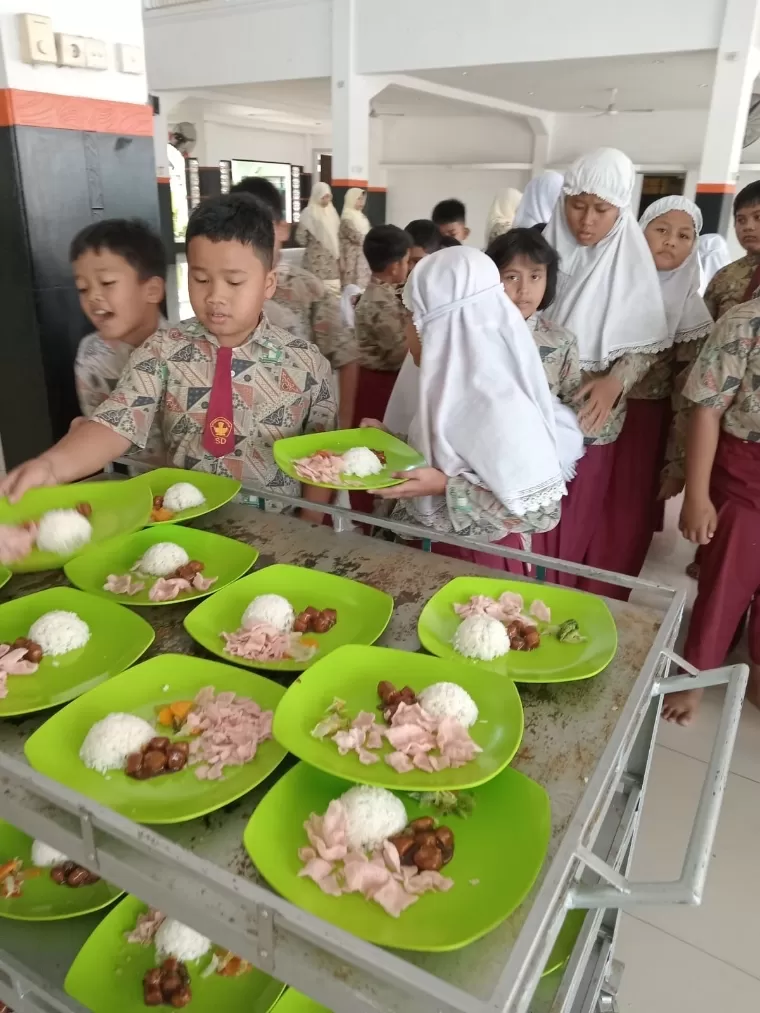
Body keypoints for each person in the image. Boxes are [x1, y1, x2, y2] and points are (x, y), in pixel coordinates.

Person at [0, 194, 336, 524]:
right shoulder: (162, 351)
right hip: (186, 524)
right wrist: (52, 465)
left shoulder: (307, 365)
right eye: (200, 279)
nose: (216, 296)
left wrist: (309, 527)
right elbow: (116, 423)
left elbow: (320, 460)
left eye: (234, 281)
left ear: (268, 284)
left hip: (279, 529)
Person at [367, 246, 571, 572]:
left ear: (446, 329)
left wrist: (444, 488)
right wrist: (390, 439)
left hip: (477, 563)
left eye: (413, 319)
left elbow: (543, 513)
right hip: (429, 552)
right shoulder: (454, 390)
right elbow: (451, 457)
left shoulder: (500, 404)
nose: (407, 332)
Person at [532, 147, 669, 587]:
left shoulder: (631, 266)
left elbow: (646, 342)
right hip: (532, 412)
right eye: (577, 205)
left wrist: (616, 380)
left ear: (620, 209)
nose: (586, 221)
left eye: (601, 209)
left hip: (592, 417)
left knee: (573, 517)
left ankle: (554, 597)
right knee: (527, 508)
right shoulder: (539, 255)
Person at [581, 197, 713, 597]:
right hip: (591, 414)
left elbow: (689, 396)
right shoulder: (605, 284)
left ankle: (606, 597)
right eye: (661, 230)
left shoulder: (693, 312)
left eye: (684, 235)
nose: (671, 242)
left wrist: (677, 462)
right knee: (584, 503)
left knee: (625, 514)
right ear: (639, 233)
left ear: (694, 246)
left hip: (645, 425)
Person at [661, 296, 760, 725]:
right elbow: (707, 409)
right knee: (725, 589)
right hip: (746, 479)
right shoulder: (746, 322)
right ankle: (694, 679)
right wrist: (697, 496)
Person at [232, 176, 357, 428]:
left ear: (282, 228)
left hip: (300, 432)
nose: (252, 239)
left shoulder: (307, 288)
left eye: (262, 227)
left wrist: (342, 424)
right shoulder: (222, 292)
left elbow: (346, 356)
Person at [71, 219, 168, 467]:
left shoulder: (187, 351)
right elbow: (102, 435)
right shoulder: (92, 355)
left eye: (106, 283)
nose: (92, 296)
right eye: (82, 288)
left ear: (152, 290)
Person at [485, 227, 581, 407]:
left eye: (535, 276)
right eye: (512, 277)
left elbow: (572, 404)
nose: (524, 289)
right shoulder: (477, 333)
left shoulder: (562, 342)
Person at [702, 181, 760, 320]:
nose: (748, 227)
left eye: (758, 217)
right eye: (741, 220)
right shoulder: (724, 277)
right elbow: (705, 333)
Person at [295, 182, 340, 284]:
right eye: (324, 196)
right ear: (317, 195)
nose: (326, 200)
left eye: (328, 196)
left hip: (332, 260)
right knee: (315, 287)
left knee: (332, 288)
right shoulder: (308, 212)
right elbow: (300, 236)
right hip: (315, 260)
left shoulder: (332, 211)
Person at [338, 188, 371, 288]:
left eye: (362, 199)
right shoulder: (347, 218)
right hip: (351, 258)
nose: (361, 202)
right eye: (358, 199)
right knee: (351, 286)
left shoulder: (362, 217)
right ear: (351, 199)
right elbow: (356, 237)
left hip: (362, 257)